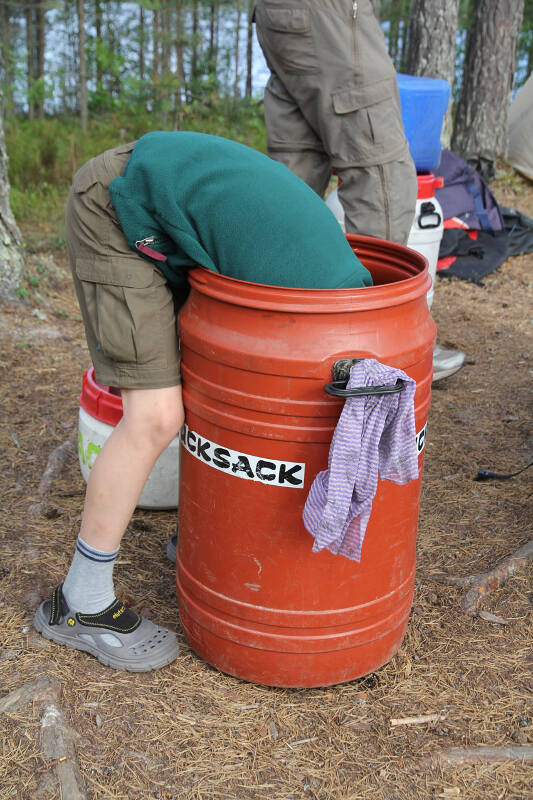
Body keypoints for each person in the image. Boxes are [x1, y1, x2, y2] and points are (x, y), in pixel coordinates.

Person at [33, 131, 372, 672]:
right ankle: (80, 601)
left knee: (217, 397)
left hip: (181, 212)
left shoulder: (338, 282)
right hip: (119, 207)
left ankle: (198, 538)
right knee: (156, 415)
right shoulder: (301, 287)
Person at [253, 0, 465, 381]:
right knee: (382, 179)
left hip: (278, 15)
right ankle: (371, 350)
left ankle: (272, 338)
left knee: (294, 177)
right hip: (330, 14)